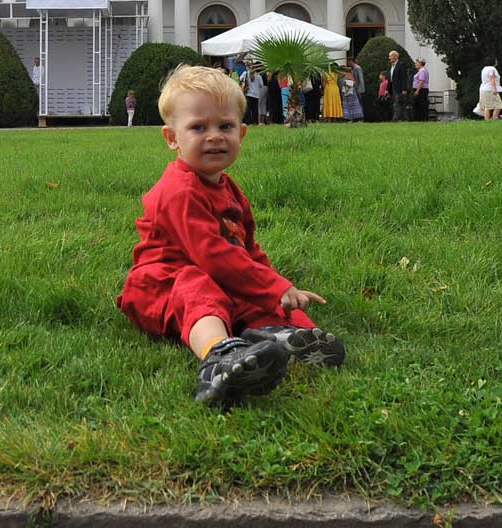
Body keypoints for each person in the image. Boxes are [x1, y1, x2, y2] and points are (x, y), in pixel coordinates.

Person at [115, 65, 346, 409]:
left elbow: (247, 252)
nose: (214, 136)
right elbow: (213, 256)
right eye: (198, 127)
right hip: (165, 283)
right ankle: (219, 357)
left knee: (254, 295)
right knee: (200, 285)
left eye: (225, 126)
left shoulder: (230, 190)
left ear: (242, 133)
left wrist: (280, 288)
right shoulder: (177, 190)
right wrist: (273, 287)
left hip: (216, 274)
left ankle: (285, 337)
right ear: (172, 137)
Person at [387, 51, 415, 122]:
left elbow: (404, 78)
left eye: (390, 56)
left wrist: (404, 89)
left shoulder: (401, 65)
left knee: (397, 104)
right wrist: (388, 89)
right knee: (401, 104)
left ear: (395, 56)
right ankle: (405, 119)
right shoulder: (391, 66)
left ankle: (394, 120)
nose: (389, 58)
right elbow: (390, 78)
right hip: (393, 88)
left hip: (399, 88)